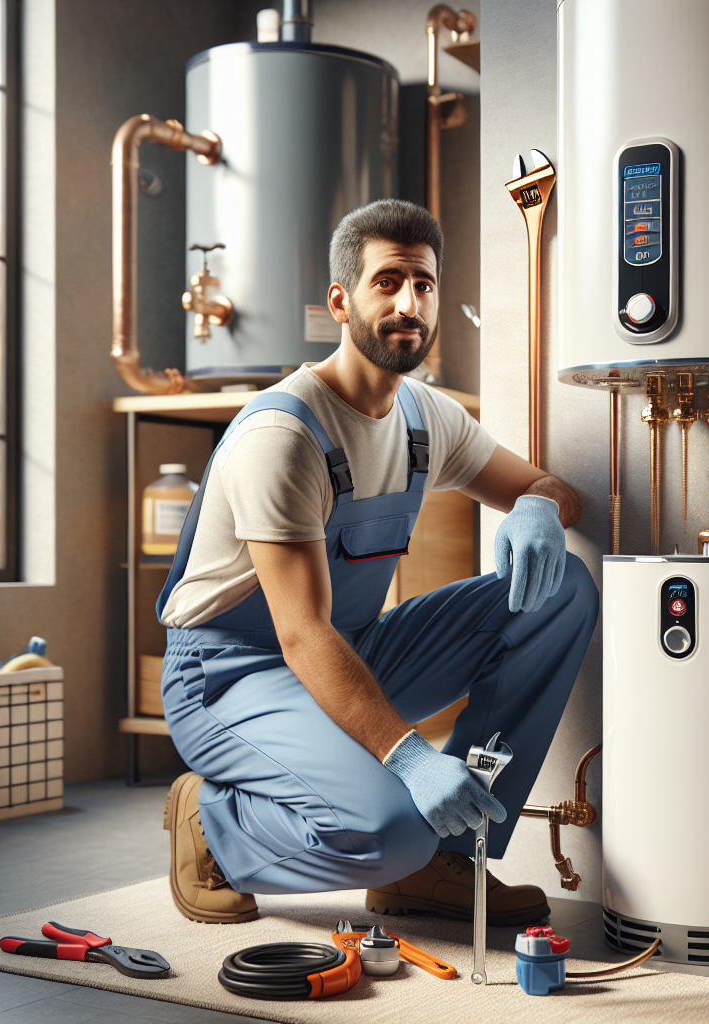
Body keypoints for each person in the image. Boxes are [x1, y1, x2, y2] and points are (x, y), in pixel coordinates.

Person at [159, 199, 598, 926]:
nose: (409, 303)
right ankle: (213, 822)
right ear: (341, 301)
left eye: (423, 285)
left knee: (562, 590)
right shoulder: (285, 434)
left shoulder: (427, 416)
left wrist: (538, 508)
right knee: (391, 832)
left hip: (348, 650)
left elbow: (550, 489)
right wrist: (411, 758)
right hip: (229, 674)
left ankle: (450, 861)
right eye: (387, 281)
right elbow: (299, 632)